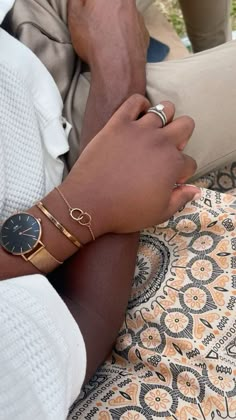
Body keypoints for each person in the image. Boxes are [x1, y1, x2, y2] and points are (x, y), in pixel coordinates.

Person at [1, 1, 236, 420]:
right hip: (78, 144)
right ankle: (210, 42)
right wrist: (120, 63)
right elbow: (81, 319)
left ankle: (206, 39)